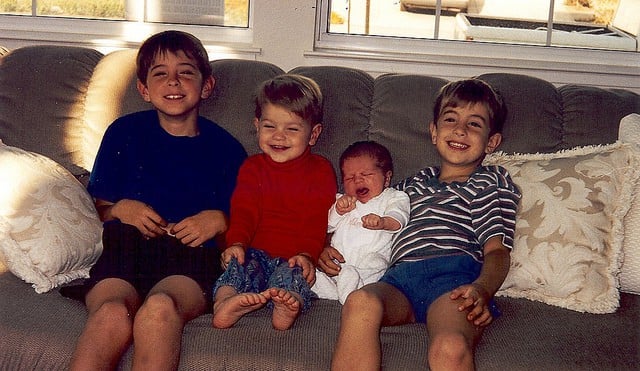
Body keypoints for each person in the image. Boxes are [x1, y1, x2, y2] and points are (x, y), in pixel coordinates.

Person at [60, 30, 247, 370]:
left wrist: (221, 220)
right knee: (111, 314)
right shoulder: (124, 133)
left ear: (206, 86)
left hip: (189, 261)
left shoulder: (227, 149)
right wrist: (119, 208)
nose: (173, 81)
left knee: (160, 309)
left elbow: (250, 223)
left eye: (186, 71)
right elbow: (96, 208)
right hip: (125, 251)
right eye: (160, 73)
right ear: (144, 89)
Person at [322, 79, 521, 371]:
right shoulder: (410, 184)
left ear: (492, 142)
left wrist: (483, 289)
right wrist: (326, 246)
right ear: (433, 131)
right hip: (398, 280)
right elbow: (362, 216)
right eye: (450, 119)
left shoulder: (489, 181)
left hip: (452, 282)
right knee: (359, 301)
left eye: (474, 124)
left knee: (450, 347)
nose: (460, 130)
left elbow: (497, 251)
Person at [211, 74, 337, 331]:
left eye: (291, 129)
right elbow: (243, 211)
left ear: (313, 134)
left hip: (293, 257)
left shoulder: (320, 170)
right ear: (257, 125)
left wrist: (306, 254)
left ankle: (287, 307)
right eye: (270, 127)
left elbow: (316, 218)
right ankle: (225, 302)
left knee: (294, 277)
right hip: (254, 251)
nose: (279, 137)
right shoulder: (252, 168)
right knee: (237, 268)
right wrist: (236, 244)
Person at [312, 140, 410, 304]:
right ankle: (334, 290)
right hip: (340, 262)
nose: (357, 181)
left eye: (366, 175)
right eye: (349, 178)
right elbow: (327, 225)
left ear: (386, 178)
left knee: (376, 264)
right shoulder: (342, 200)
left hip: (371, 260)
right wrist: (338, 211)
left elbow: (399, 218)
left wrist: (383, 222)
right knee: (315, 275)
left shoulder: (392, 197)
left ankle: (349, 293)